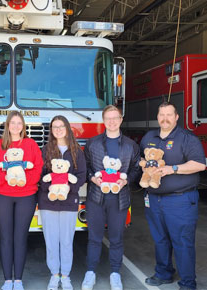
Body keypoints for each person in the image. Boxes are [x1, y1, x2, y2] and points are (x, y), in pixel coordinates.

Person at [140, 102, 205, 290]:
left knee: (182, 242)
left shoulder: (187, 138)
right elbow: (141, 157)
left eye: (169, 114)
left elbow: (199, 165)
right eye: (161, 114)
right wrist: (143, 163)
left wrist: (172, 169)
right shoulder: (149, 137)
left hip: (181, 200)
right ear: (157, 116)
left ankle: (187, 282)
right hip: (154, 198)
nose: (165, 118)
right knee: (160, 239)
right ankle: (163, 273)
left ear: (177, 117)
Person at [81, 105, 140, 290]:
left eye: (116, 118)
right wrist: (92, 178)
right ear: (103, 120)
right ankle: (90, 272)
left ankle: (115, 273)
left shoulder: (131, 145)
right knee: (94, 238)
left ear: (121, 120)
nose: (112, 121)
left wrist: (126, 181)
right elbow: (87, 166)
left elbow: (136, 169)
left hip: (119, 199)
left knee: (116, 238)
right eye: (108, 118)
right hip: (96, 198)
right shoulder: (93, 143)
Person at [0, 111, 43, 290]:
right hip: (2, 196)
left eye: (19, 123)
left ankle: (19, 280)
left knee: (20, 237)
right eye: (13, 123)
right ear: (7, 126)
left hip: (26, 196)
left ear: (23, 126)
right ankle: (7, 280)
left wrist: (24, 180)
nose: (16, 126)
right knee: (6, 238)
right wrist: (6, 180)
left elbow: (37, 167)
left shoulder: (31, 145)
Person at [37, 115, 86, 290]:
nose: (58, 129)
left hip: (69, 202)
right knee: (51, 241)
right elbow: (39, 175)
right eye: (54, 127)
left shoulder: (76, 151)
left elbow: (81, 176)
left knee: (66, 240)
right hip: (48, 201)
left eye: (61, 126)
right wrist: (50, 188)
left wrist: (68, 189)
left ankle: (65, 275)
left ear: (67, 128)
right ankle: (54, 275)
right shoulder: (45, 150)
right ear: (51, 130)